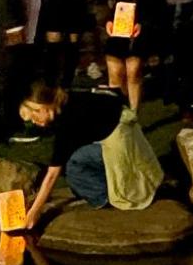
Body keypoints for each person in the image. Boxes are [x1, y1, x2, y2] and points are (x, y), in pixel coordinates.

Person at [20, 81, 163, 227]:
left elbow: (52, 174)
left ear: (42, 108)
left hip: (121, 143)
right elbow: (116, 94)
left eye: (33, 117)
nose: (34, 122)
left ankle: (105, 200)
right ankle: (108, 186)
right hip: (124, 133)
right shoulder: (69, 98)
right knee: (76, 159)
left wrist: (34, 212)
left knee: (73, 168)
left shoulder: (67, 120)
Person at [98, 0, 166, 112]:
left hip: (138, 28)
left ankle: (134, 113)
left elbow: (158, 4)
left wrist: (143, 23)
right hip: (115, 28)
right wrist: (107, 21)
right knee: (115, 72)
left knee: (133, 71)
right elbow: (102, 0)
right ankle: (119, 112)